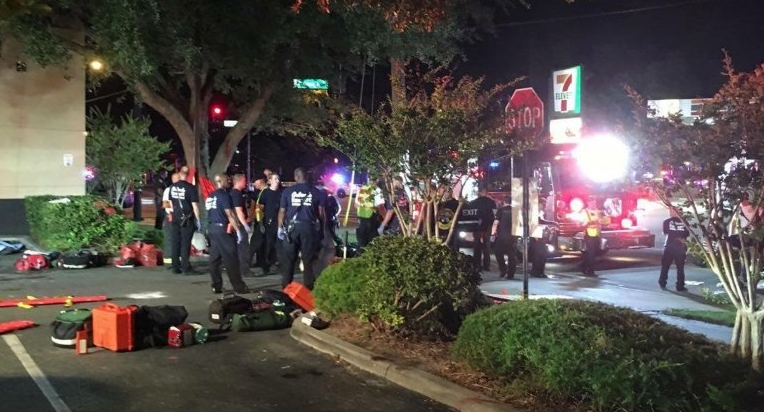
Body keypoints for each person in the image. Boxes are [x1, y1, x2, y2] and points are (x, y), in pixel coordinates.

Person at [277, 167, 325, 289]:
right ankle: (308, 287)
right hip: (309, 228)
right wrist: (321, 229)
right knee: (308, 260)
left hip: (292, 229)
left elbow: (282, 211)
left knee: (289, 259)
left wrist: (280, 228)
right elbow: (321, 214)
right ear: (307, 177)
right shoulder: (316, 192)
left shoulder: (287, 192)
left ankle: (287, 286)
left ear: (296, 177)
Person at [205, 174, 249, 294]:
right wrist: (238, 231)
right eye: (226, 179)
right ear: (219, 181)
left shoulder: (210, 196)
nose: (229, 181)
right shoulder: (224, 195)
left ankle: (216, 285)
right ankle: (239, 287)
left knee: (215, 259)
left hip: (212, 229)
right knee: (231, 259)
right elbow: (230, 214)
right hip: (223, 230)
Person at [168, 167, 201, 275]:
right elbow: (195, 205)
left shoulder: (172, 187)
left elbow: (171, 203)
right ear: (187, 175)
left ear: (180, 174)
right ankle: (186, 267)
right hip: (187, 219)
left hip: (176, 218)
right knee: (185, 243)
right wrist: (198, 219)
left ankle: (175, 267)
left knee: (175, 243)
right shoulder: (190, 188)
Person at [257, 172, 282, 275]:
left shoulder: (281, 192)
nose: (277, 181)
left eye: (278, 179)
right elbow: (259, 208)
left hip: (280, 222)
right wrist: (260, 222)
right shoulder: (265, 193)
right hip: (269, 222)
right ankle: (266, 265)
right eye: (275, 179)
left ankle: (277, 263)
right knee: (268, 244)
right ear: (270, 180)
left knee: (279, 245)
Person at [659, 207, 689, 292]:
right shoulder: (684, 222)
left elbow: (665, 232)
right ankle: (680, 286)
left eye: (671, 211)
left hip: (669, 246)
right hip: (680, 247)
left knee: (665, 266)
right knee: (680, 268)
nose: (669, 212)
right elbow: (687, 234)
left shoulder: (666, 222)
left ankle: (662, 282)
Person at [470, 187, 497, 271]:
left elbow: (471, 215)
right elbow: (494, 215)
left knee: (477, 246)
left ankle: (476, 264)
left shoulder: (473, 203)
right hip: (488, 227)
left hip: (477, 227)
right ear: (486, 192)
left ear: (479, 192)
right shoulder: (491, 202)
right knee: (486, 247)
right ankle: (486, 265)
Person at [231, 174, 253, 277]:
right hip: (240, 225)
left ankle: (239, 269)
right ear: (239, 181)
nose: (245, 182)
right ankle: (245, 270)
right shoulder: (237, 194)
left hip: (236, 224)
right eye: (244, 181)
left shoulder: (232, 193)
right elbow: (238, 211)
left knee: (239, 247)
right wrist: (245, 224)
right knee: (243, 248)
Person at [493, 196, 517, 279]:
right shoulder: (516, 210)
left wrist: (493, 233)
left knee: (498, 252)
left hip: (502, 235)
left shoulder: (501, 210)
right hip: (513, 235)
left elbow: (496, 223)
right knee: (511, 254)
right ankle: (511, 274)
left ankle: (503, 269)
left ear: (504, 202)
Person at [355, 177, 380, 248]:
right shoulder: (376, 189)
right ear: (376, 181)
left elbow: (356, 205)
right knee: (371, 239)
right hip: (371, 216)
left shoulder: (362, 189)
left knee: (361, 240)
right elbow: (380, 206)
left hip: (361, 216)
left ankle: (360, 254)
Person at [161, 172, 179, 266]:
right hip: (171, 216)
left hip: (179, 216)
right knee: (170, 238)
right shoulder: (168, 190)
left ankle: (177, 260)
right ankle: (168, 261)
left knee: (177, 239)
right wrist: (175, 206)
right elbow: (164, 204)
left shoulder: (182, 189)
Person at [581, 197, 602, 277]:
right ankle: (590, 271)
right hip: (588, 234)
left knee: (594, 252)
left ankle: (584, 266)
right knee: (591, 253)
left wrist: (600, 227)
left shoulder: (597, 211)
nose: (594, 204)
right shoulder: (584, 212)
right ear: (588, 203)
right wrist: (592, 222)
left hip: (596, 234)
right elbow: (582, 224)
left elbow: (600, 222)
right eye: (592, 202)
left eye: (595, 202)